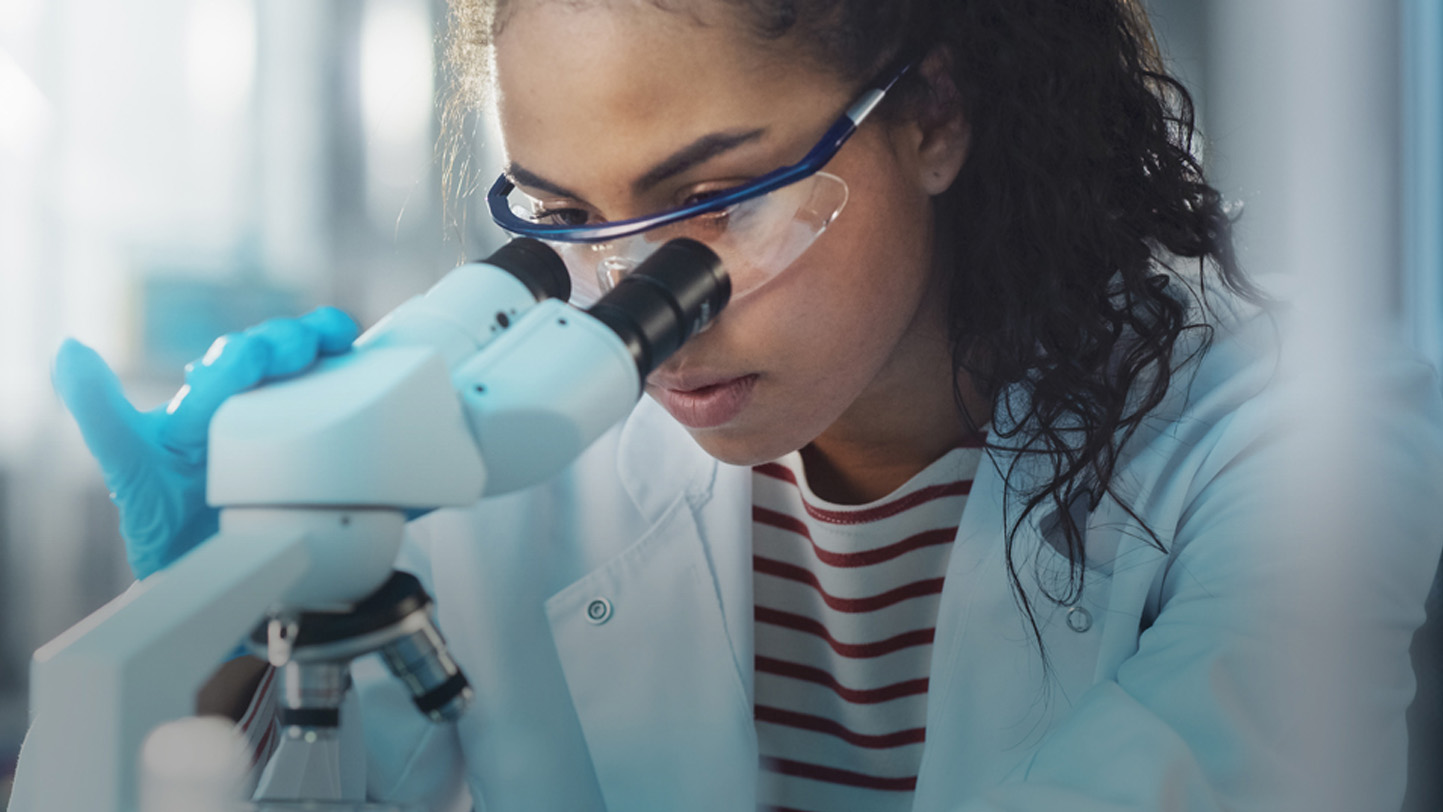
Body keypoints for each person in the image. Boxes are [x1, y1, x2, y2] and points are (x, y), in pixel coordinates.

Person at [13, 1, 1443, 810]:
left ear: (932, 118)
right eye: (568, 220)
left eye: (709, 203)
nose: (633, 302)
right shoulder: (518, 461)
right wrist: (217, 626)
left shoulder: (1296, 441)